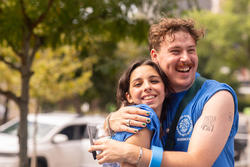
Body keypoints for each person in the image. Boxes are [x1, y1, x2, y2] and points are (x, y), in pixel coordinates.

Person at [89, 18, 239, 167]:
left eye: (191, 50)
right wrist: (109, 121)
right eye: (176, 51)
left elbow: (198, 162)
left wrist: (131, 153)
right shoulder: (150, 100)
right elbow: (115, 130)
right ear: (155, 56)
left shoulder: (217, 96)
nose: (186, 58)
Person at [103, 59, 171, 167]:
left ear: (165, 89)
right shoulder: (143, 115)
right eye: (138, 84)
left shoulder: (159, 122)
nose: (147, 87)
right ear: (129, 97)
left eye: (154, 81)